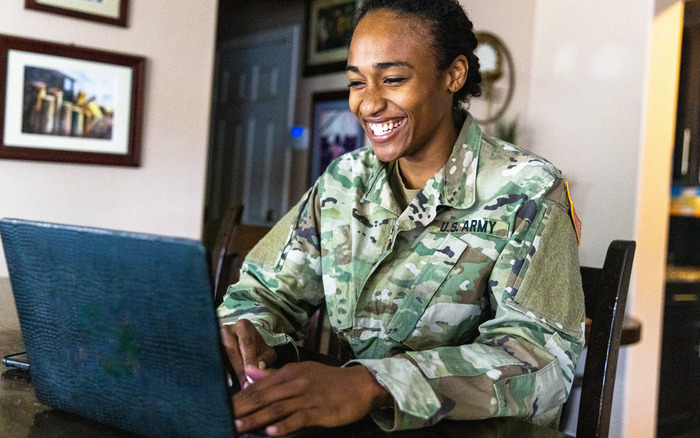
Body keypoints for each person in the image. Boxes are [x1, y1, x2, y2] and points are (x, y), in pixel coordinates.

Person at [218, 0, 585, 436]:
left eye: (392, 79)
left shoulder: (526, 189)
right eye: (357, 82)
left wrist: (374, 383)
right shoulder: (345, 180)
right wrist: (247, 334)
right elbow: (265, 292)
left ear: (454, 74)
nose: (369, 104)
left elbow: (539, 363)